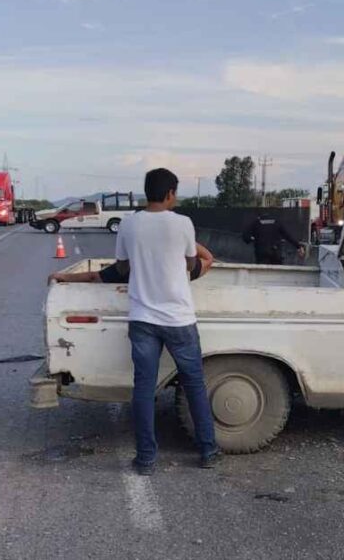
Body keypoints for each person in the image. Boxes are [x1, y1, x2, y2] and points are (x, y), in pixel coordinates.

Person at [108, 168, 218, 476]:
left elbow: (121, 266)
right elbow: (191, 263)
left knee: (144, 388)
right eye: (176, 193)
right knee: (194, 384)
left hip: (142, 318)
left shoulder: (128, 224)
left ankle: (145, 459)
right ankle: (208, 450)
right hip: (179, 318)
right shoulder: (182, 223)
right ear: (170, 193)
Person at [48, 243, 214, 284]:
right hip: (176, 321)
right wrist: (186, 241)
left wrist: (62, 276)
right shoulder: (183, 269)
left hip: (143, 321)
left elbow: (93, 277)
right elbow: (208, 259)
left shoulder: (130, 267)